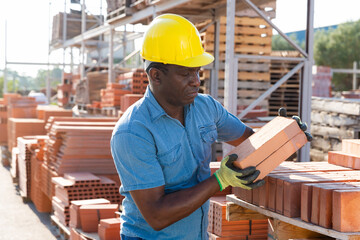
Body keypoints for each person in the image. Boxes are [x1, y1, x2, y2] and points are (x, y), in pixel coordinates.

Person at [110, 13, 265, 240]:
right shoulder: (133, 132)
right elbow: (157, 215)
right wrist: (220, 180)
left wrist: (286, 132)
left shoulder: (206, 108)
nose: (196, 80)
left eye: (197, 71)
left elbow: (250, 140)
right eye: (185, 73)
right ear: (156, 75)